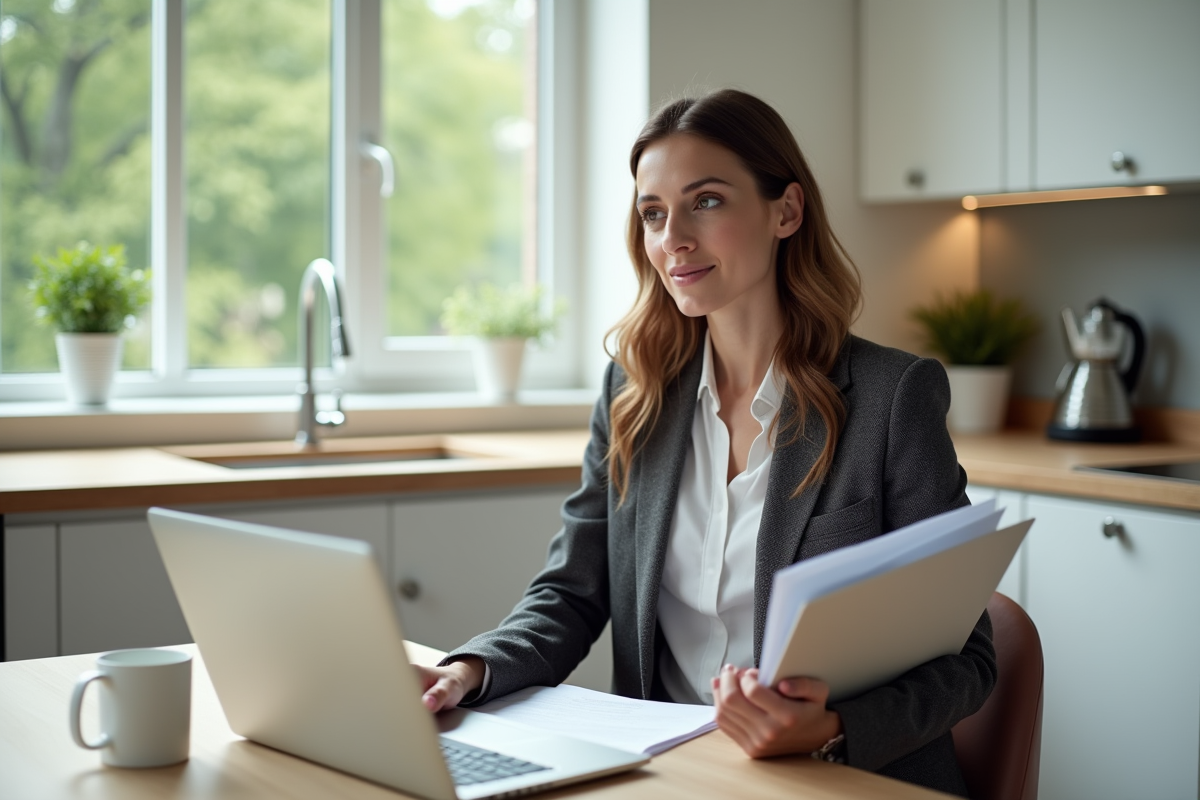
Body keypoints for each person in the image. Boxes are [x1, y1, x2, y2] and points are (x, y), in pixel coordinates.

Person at [415, 89, 995, 797]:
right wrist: (469, 671)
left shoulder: (892, 396)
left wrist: (832, 724)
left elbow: (968, 659)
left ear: (786, 211)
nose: (673, 239)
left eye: (707, 202)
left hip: (837, 778)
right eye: (653, 213)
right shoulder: (634, 394)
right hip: (668, 776)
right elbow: (571, 593)